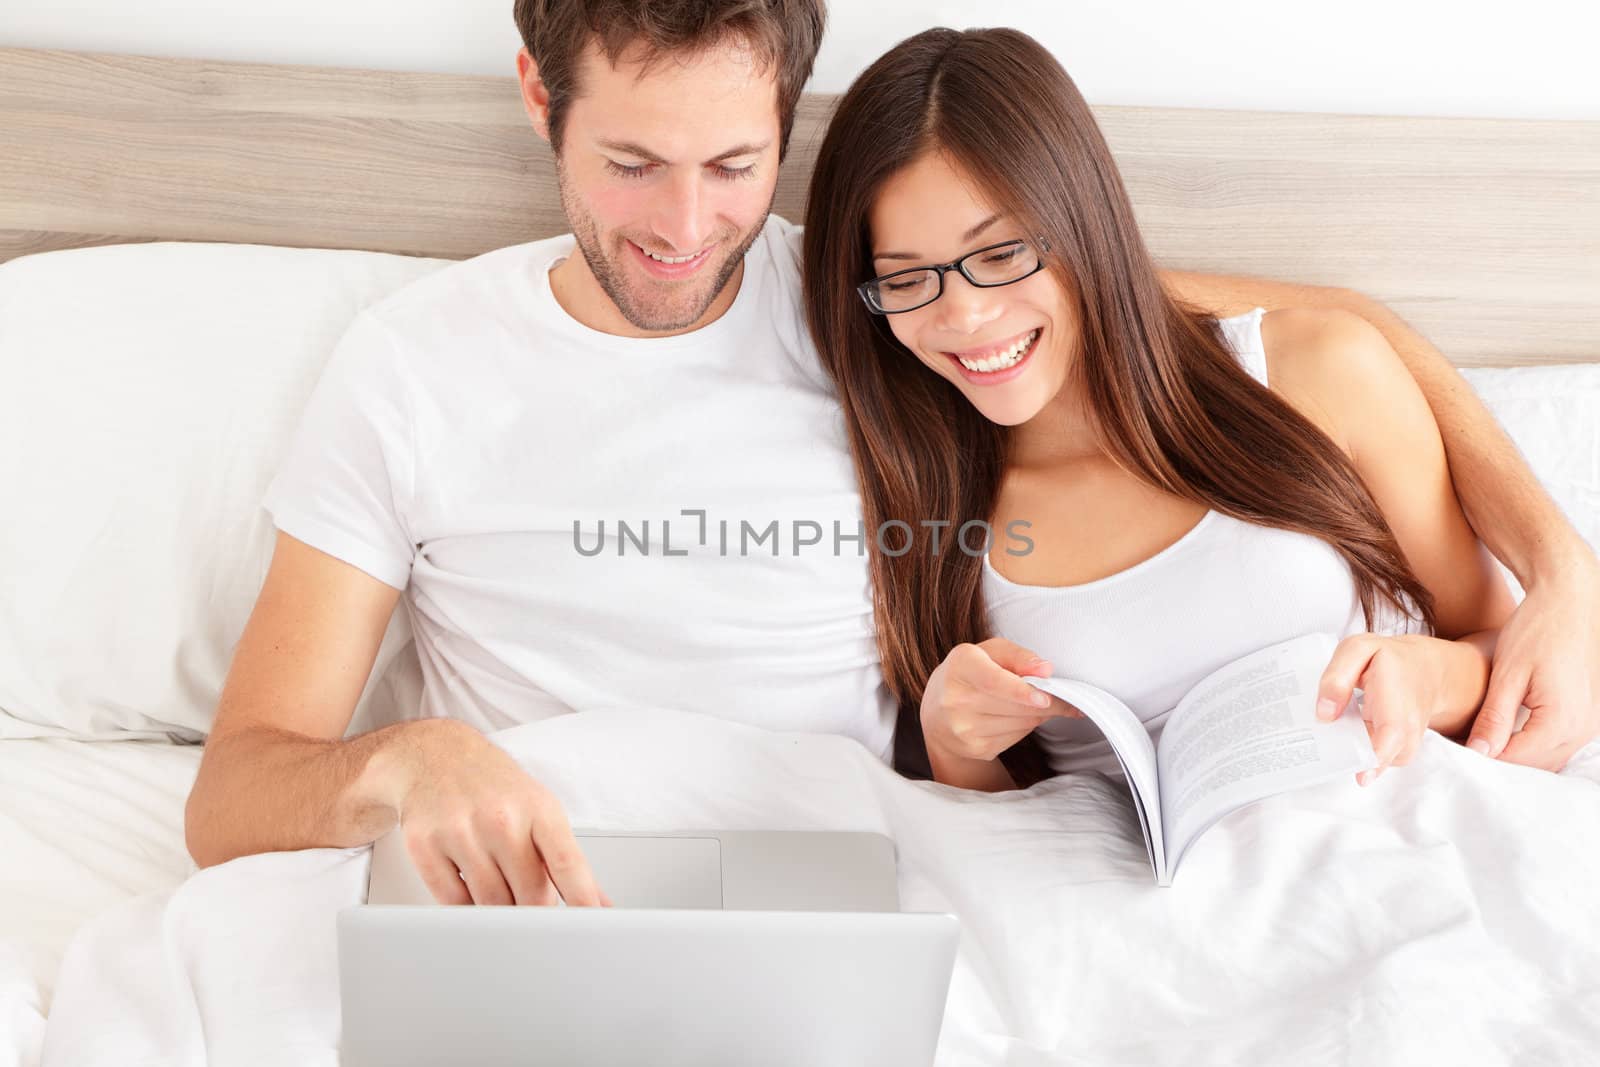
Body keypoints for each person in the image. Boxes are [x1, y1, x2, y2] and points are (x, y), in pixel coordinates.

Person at [183, 2, 1600, 903]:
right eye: (630, 165)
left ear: (782, 134)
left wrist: (1561, 563)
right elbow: (235, 785)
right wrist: (408, 761)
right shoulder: (415, 362)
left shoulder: (868, 304)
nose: (683, 225)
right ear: (537, 99)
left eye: (735, 166)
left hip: (870, 864)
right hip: (557, 862)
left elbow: (1312, 323)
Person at [798, 25, 1544, 791]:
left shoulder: (1321, 368)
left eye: (1000, 254)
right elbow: (1006, 842)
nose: (965, 315)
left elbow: (1502, 646)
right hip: (1138, 895)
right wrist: (955, 744)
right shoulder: (928, 506)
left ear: (1083, 222)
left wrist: (1426, 677)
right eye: (908, 278)